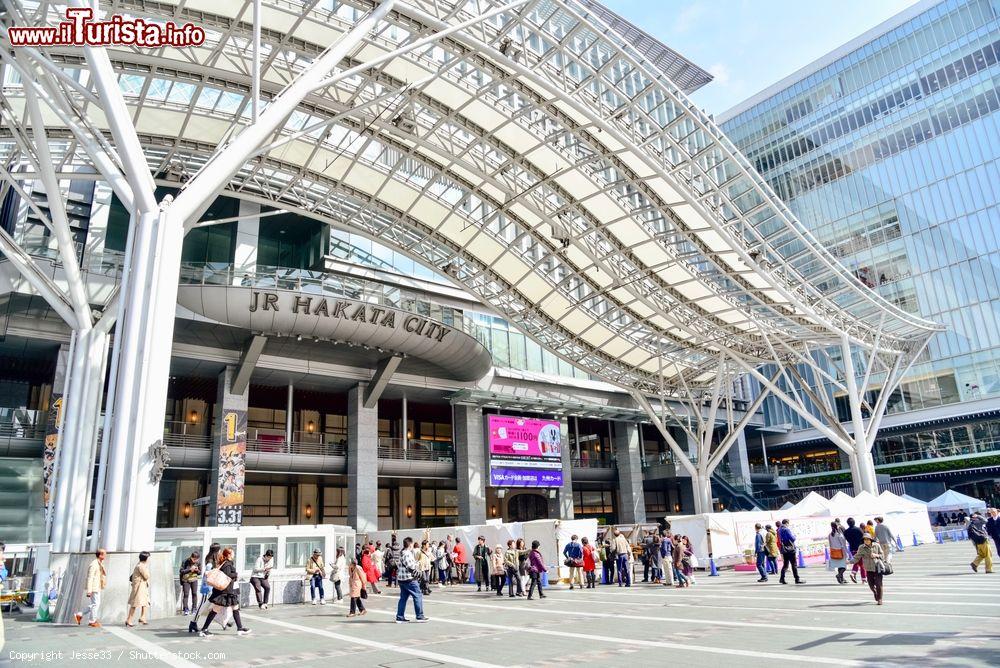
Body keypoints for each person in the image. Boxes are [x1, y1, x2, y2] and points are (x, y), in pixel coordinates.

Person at [200, 547, 251, 636]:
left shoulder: (226, 563)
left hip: (228, 592)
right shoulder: (227, 564)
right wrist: (236, 574)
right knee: (215, 610)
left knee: (235, 608)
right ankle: (204, 629)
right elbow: (227, 575)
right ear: (229, 555)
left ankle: (240, 628)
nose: (234, 554)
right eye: (233, 553)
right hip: (224, 592)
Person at [395, 537, 429, 623]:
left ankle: (400, 617)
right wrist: (418, 563)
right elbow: (411, 566)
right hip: (409, 579)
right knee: (418, 595)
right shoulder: (407, 553)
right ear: (410, 544)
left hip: (401, 579)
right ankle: (419, 616)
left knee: (403, 598)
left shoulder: (401, 553)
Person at [851, 534, 886, 605]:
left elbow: (882, 555)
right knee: (871, 585)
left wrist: (876, 555)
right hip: (868, 568)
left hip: (877, 567)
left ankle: (880, 599)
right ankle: (875, 592)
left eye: (867, 539)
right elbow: (857, 557)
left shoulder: (876, 545)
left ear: (870, 540)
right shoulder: (861, 547)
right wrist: (849, 561)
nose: (866, 541)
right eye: (864, 539)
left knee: (879, 584)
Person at [75, 548, 107, 627]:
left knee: (95, 604)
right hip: (94, 587)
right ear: (100, 555)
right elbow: (90, 577)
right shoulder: (94, 564)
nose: (106, 555)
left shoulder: (100, 563)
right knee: (96, 604)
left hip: (98, 586)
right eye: (104, 554)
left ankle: (79, 614)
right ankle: (92, 621)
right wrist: (89, 590)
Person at [125, 551, 151, 627]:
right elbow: (146, 576)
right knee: (135, 603)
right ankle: (129, 620)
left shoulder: (141, 565)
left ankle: (142, 617)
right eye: (148, 557)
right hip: (139, 587)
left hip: (142, 586)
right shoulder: (141, 566)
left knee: (145, 602)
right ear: (145, 558)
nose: (148, 559)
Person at [777, 519, 804, 585]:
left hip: (784, 548)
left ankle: (782, 578)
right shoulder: (787, 529)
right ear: (786, 523)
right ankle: (797, 579)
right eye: (788, 523)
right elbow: (792, 538)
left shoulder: (779, 530)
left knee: (785, 565)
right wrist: (794, 536)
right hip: (790, 548)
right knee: (794, 564)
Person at [844, 518, 866, 583]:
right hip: (860, 548)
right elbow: (864, 538)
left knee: (857, 562)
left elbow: (847, 540)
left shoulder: (846, 532)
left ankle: (853, 573)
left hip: (852, 548)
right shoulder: (859, 529)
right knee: (862, 564)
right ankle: (863, 579)